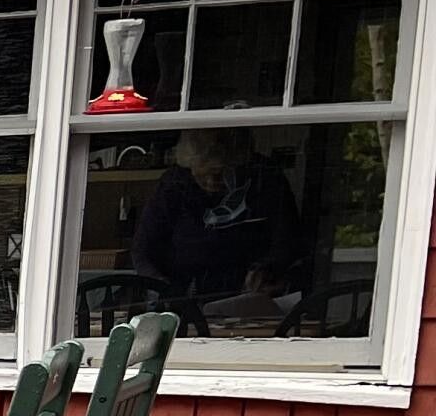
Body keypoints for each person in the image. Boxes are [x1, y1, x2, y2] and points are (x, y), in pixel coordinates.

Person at [130, 128, 307, 300]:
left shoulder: (265, 178)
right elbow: (143, 248)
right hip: (183, 293)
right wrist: (159, 286)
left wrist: (266, 269)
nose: (212, 181)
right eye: (202, 174)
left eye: (222, 173)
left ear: (239, 164)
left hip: (250, 295)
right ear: (190, 166)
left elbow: (288, 240)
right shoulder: (174, 184)